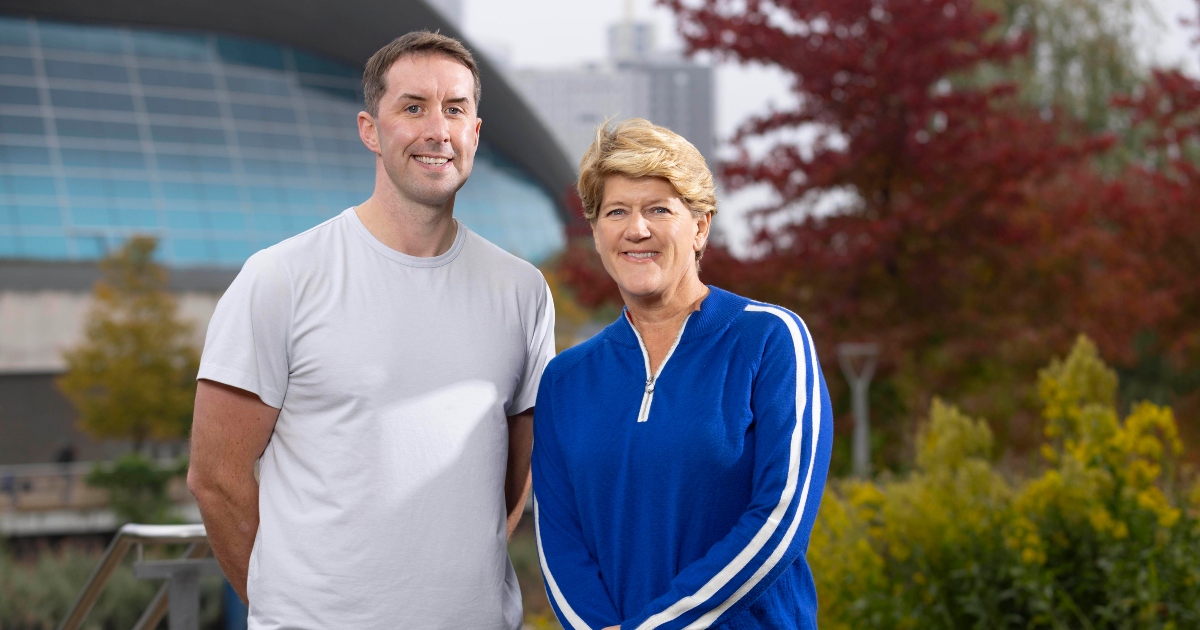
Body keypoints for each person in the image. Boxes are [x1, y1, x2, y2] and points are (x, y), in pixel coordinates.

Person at [187, 31, 555, 629]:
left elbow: (516, 477)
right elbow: (215, 479)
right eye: (413, 107)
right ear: (370, 130)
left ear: (475, 132)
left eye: (454, 109)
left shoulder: (522, 291)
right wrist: (289, 608)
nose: (437, 130)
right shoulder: (282, 278)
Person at [532, 119, 833, 630]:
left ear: (700, 227)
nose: (637, 229)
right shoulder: (566, 380)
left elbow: (781, 520)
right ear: (597, 233)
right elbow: (560, 542)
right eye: (616, 211)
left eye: (659, 209)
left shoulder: (770, 340)